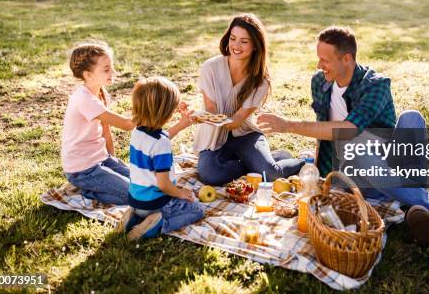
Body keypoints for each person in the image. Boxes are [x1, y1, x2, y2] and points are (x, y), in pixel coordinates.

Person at [257, 26, 429, 246]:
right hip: (354, 172)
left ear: (347, 59)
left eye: (325, 60)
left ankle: (410, 204)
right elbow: (322, 129)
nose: (319, 65)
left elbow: (349, 128)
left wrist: (288, 125)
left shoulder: (376, 85)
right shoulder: (320, 82)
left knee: (412, 119)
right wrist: (320, 175)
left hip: (388, 161)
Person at [194, 14, 304, 185]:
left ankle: (304, 160)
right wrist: (199, 116)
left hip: (245, 134)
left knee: (271, 175)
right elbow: (211, 109)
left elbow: (237, 121)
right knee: (210, 175)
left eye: (244, 41)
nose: (236, 46)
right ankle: (255, 164)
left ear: (255, 46)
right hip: (214, 137)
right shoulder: (210, 68)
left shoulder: (261, 81)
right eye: (233, 38)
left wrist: (207, 118)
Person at [121, 76, 204, 240]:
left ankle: (134, 218)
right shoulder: (162, 144)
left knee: (144, 209)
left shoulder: (137, 132)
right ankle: (157, 224)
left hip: (136, 201)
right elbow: (164, 185)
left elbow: (159, 140)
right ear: (165, 111)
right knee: (197, 210)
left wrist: (181, 125)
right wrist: (181, 193)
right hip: (156, 204)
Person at [61, 42, 135, 206]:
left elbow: (106, 132)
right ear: (88, 75)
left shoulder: (101, 93)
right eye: (106, 69)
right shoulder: (84, 100)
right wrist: (151, 106)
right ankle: (86, 190)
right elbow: (128, 125)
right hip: (82, 170)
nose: (113, 72)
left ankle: (99, 184)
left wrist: (113, 162)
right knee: (135, 196)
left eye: (112, 67)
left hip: (101, 159)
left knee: (143, 184)